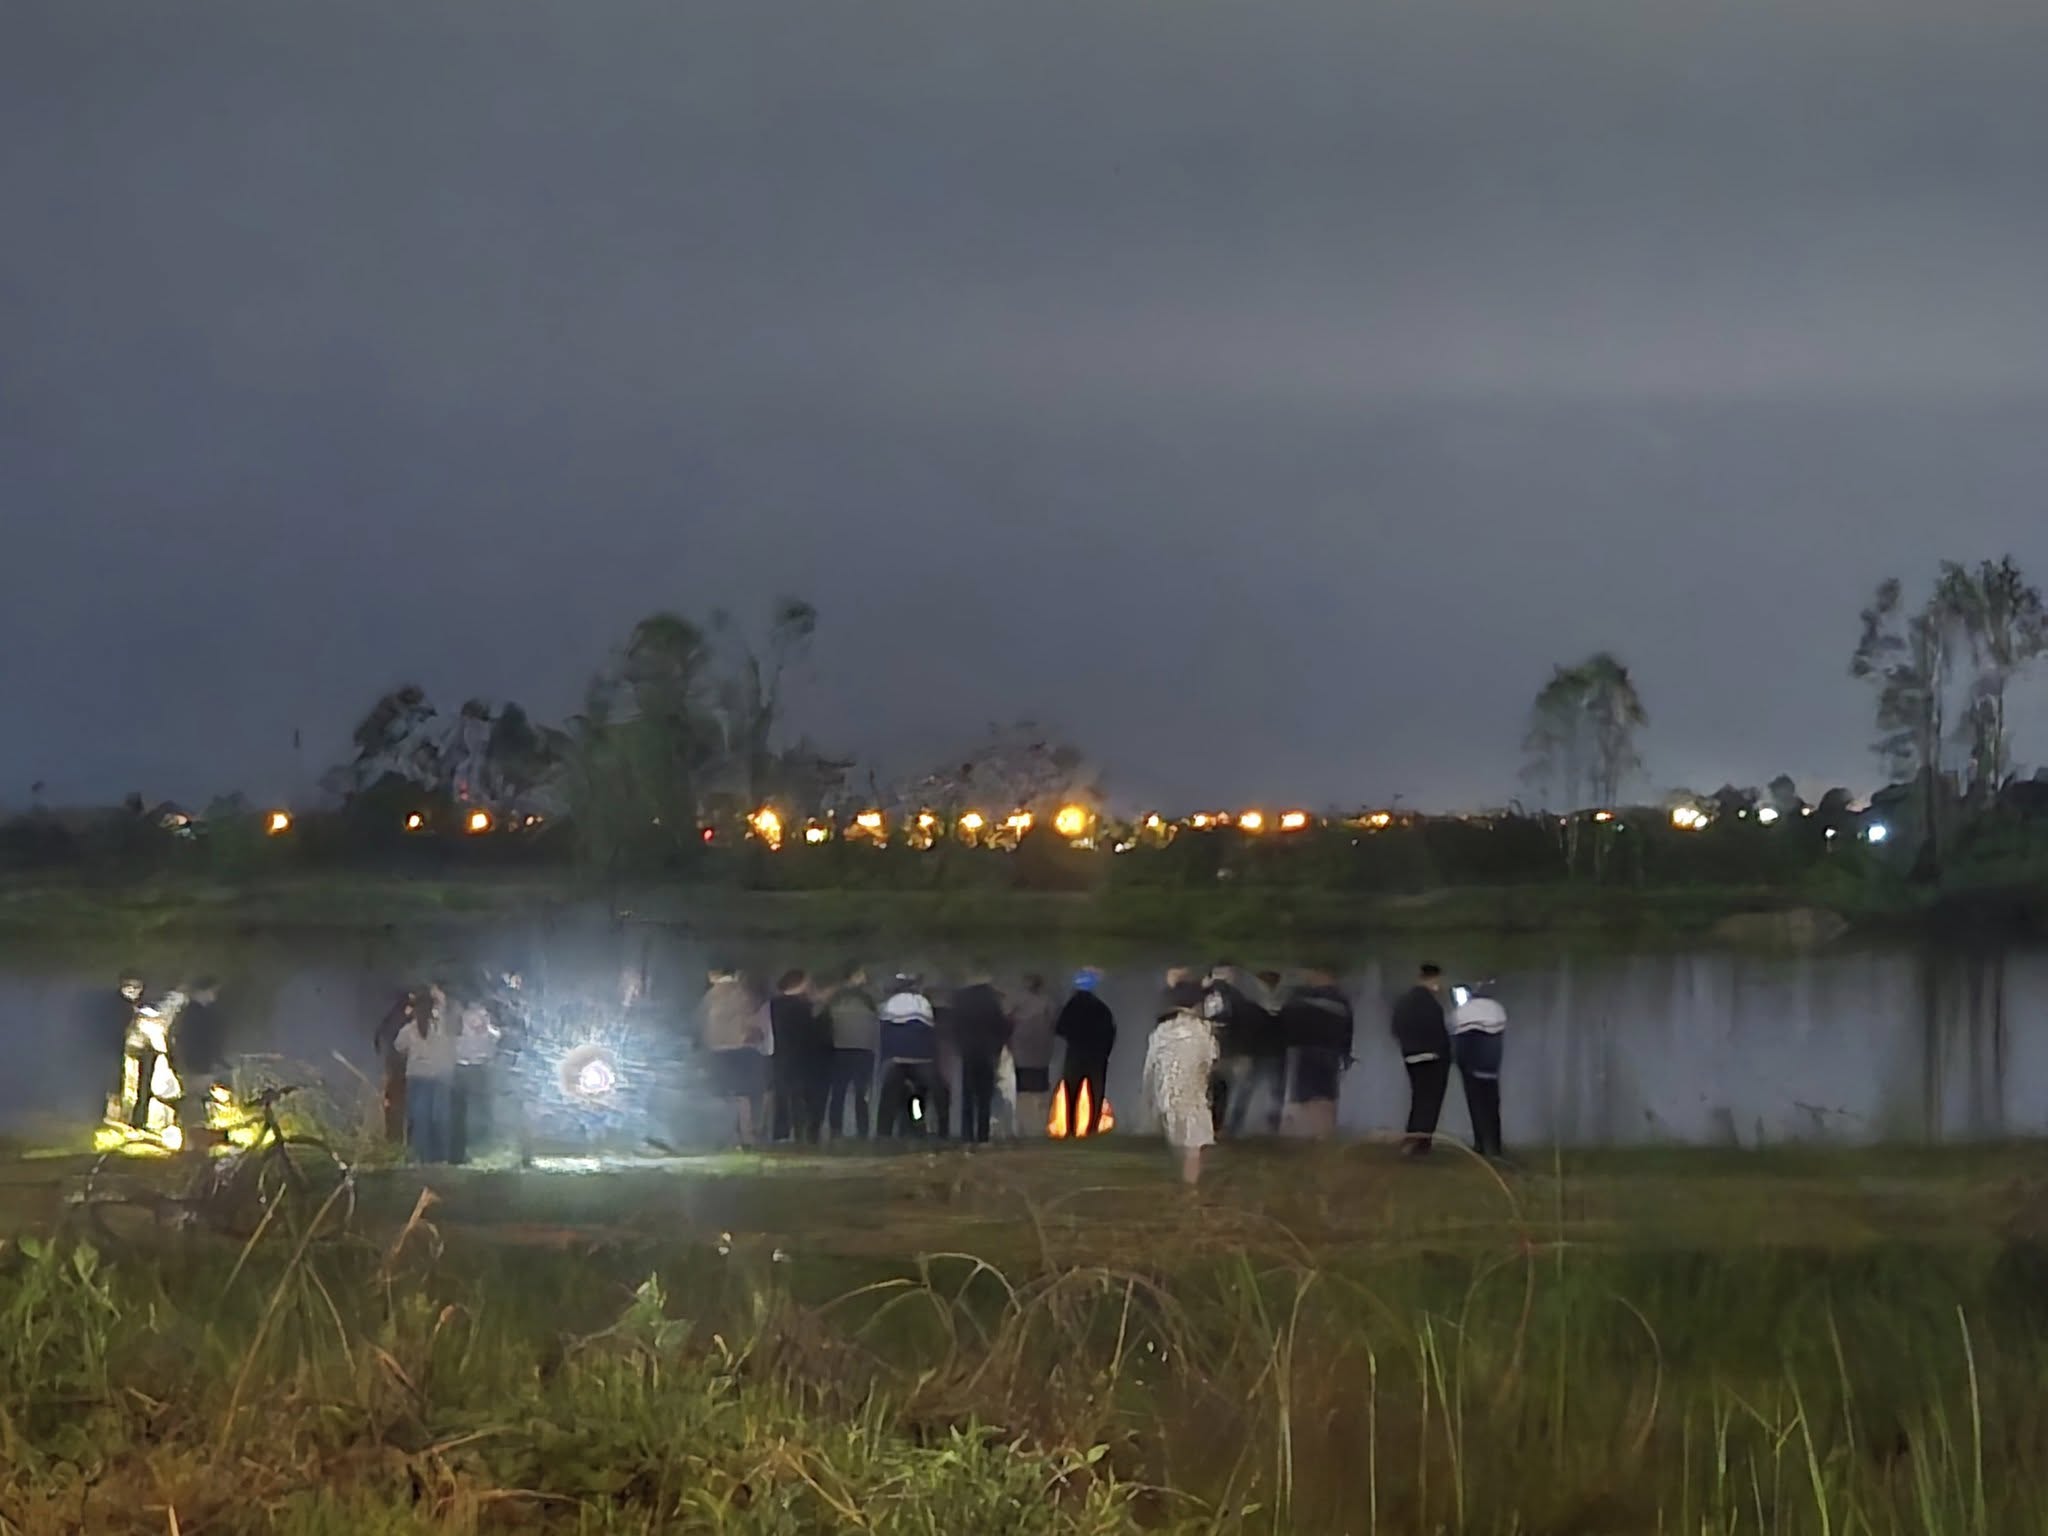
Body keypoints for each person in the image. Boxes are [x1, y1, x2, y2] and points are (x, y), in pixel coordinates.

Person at [1144, 979, 1219, 1185]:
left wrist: (1149, 1100)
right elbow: (1209, 1063)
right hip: (1193, 1097)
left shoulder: (1160, 1032)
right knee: (1194, 1148)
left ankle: (1182, 1183)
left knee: (1180, 1146)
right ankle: (1190, 1192)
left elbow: (1149, 1070)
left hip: (1166, 1097)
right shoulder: (1202, 1031)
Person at [1278, 966, 1353, 1139]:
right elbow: (1348, 1030)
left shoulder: (1300, 996)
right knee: (1325, 1095)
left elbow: (1285, 1021)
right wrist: (1346, 1054)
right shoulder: (1341, 999)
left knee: (1302, 1095)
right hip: (1329, 1051)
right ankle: (1323, 1133)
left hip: (1305, 1049)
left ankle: (1298, 1133)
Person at [700, 962, 767, 1145]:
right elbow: (753, 1021)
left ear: (713, 974)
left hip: (719, 1050)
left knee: (726, 1094)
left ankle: (732, 1136)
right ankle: (746, 1136)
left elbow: (702, 1023)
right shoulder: (743, 993)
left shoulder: (712, 996)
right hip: (740, 1048)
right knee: (742, 1095)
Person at [1391, 964, 1452, 1156]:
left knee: (1418, 1098)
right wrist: (1446, 1055)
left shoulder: (1403, 1001)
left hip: (1411, 1057)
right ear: (1433, 980)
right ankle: (1421, 1143)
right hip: (1433, 1057)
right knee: (1430, 1100)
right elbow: (1439, 1033)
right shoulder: (1431, 1004)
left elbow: (1395, 1028)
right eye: (1438, 981)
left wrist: (1408, 1047)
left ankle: (1411, 1137)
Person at [393, 984, 458, 1163]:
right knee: (438, 1119)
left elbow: (399, 1047)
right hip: (437, 1077)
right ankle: (439, 1157)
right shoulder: (439, 1027)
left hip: (418, 1077)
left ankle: (421, 1157)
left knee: (420, 1119)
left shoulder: (409, 1030)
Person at [951, 966, 1012, 1145]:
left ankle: (966, 1136)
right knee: (985, 1096)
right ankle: (983, 1135)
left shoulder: (961, 998)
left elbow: (955, 1025)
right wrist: (998, 1048)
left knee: (968, 1095)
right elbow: (1002, 1026)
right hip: (987, 1052)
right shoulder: (993, 998)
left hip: (968, 1051)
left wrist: (960, 1046)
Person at [876, 974, 942, 1138]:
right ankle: (916, 1128)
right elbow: (929, 1031)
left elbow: (884, 1031)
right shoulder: (923, 1003)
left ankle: (884, 1133)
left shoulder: (889, 1004)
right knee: (916, 1099)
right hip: (921, 1060)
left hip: (895, 1059)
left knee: (888, 1099)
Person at [1054, 968, 1116, 1136]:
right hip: (1097, 1057)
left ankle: (1071, 1128)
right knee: (1095, 1093)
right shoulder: (1101, 1008)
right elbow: (1111, 1033)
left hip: (1075, 1054)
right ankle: (1092, 1128)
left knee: (1071, 1093)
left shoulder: (1071, 1006)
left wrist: (1072, 1037)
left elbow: (1059, 1028)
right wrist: (1105, 1053)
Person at [1450, 982, 1508, 1159]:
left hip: (1472, 1066)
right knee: (1492, 1106)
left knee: (1477, 1106)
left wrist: (1458, 1063)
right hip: (1491, 1068)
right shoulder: (1495, 1010)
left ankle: (1481, 1144)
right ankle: (1494, 1146)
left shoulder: (1463, 1014)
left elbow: (1460, 1045)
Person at [824, 964, 879, 1139]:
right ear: (853, 976)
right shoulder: (865, 996)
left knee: (842, 1092)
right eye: (861, 974)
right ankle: (859, 1131)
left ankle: (838, 1130)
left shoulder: (837, 996)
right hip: (858, 1049)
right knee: (859, 1093)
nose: (865, 977)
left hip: (843, 1048)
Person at [176, 976, 230, 1139]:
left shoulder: (199, 1012)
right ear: (202, 992)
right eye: (212, 991)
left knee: (200, 1101)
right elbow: (194, 1041)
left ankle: (196, 1139)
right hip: (196, 1065)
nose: (214, 995)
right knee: (195, 1102)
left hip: (200, 1064)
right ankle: (193, 1141)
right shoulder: (194, 1013)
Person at [449, 992, 500, 1164]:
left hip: (462, 1067)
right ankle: (478, 1147)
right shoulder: (482, 1018)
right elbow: (493, 1037)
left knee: (461, 1113)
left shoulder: (460, 1017)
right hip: (477, 1068)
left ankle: (459, 1152)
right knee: (478, 1111)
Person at [1006, 973, 1057, 1137]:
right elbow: (1053, 1024)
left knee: (1023, 1092)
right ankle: (1039, 1127)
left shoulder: (1017, 1002)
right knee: (1040, 1091)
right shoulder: (1047, 1002)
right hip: (1041, 1054)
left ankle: (1023, 1127)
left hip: (1022, 1054)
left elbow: (1008, 1022)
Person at [373, 988, 417, 1145]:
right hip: (402, 1066)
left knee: (396, 1103)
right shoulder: (404, 1019)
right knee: (403, 1103)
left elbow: (379, 1037)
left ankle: (395, 1138)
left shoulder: (392, 1017)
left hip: (397, 1065)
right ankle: (401, 1139)